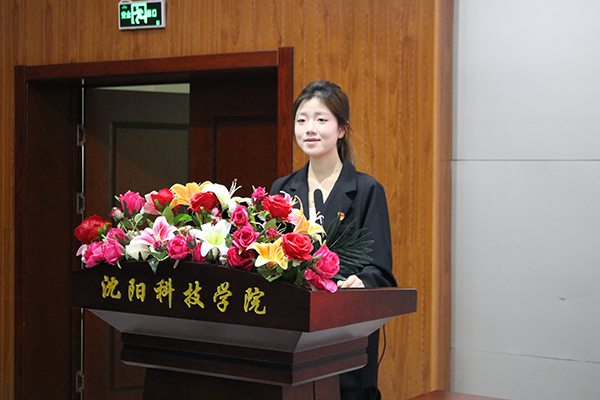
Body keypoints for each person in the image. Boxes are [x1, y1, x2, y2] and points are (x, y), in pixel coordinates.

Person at [270, 80, 397, 400]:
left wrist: (361, 282)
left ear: (342, 129)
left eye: (321, 119)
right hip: (294, 336)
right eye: (302, 120)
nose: (309, 129)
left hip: (345, 336)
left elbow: (380, 268)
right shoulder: (281, 190)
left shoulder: (367, 190)